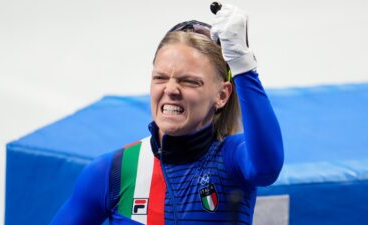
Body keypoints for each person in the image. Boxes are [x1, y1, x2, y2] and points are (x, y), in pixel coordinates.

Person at [50, 4, 284, 225]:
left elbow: (267, 168)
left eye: (189, 81)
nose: (170, 90)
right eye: (160, 78)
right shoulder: (113, 172)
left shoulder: (232, 159)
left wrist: (242, 65)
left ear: (221, 95)